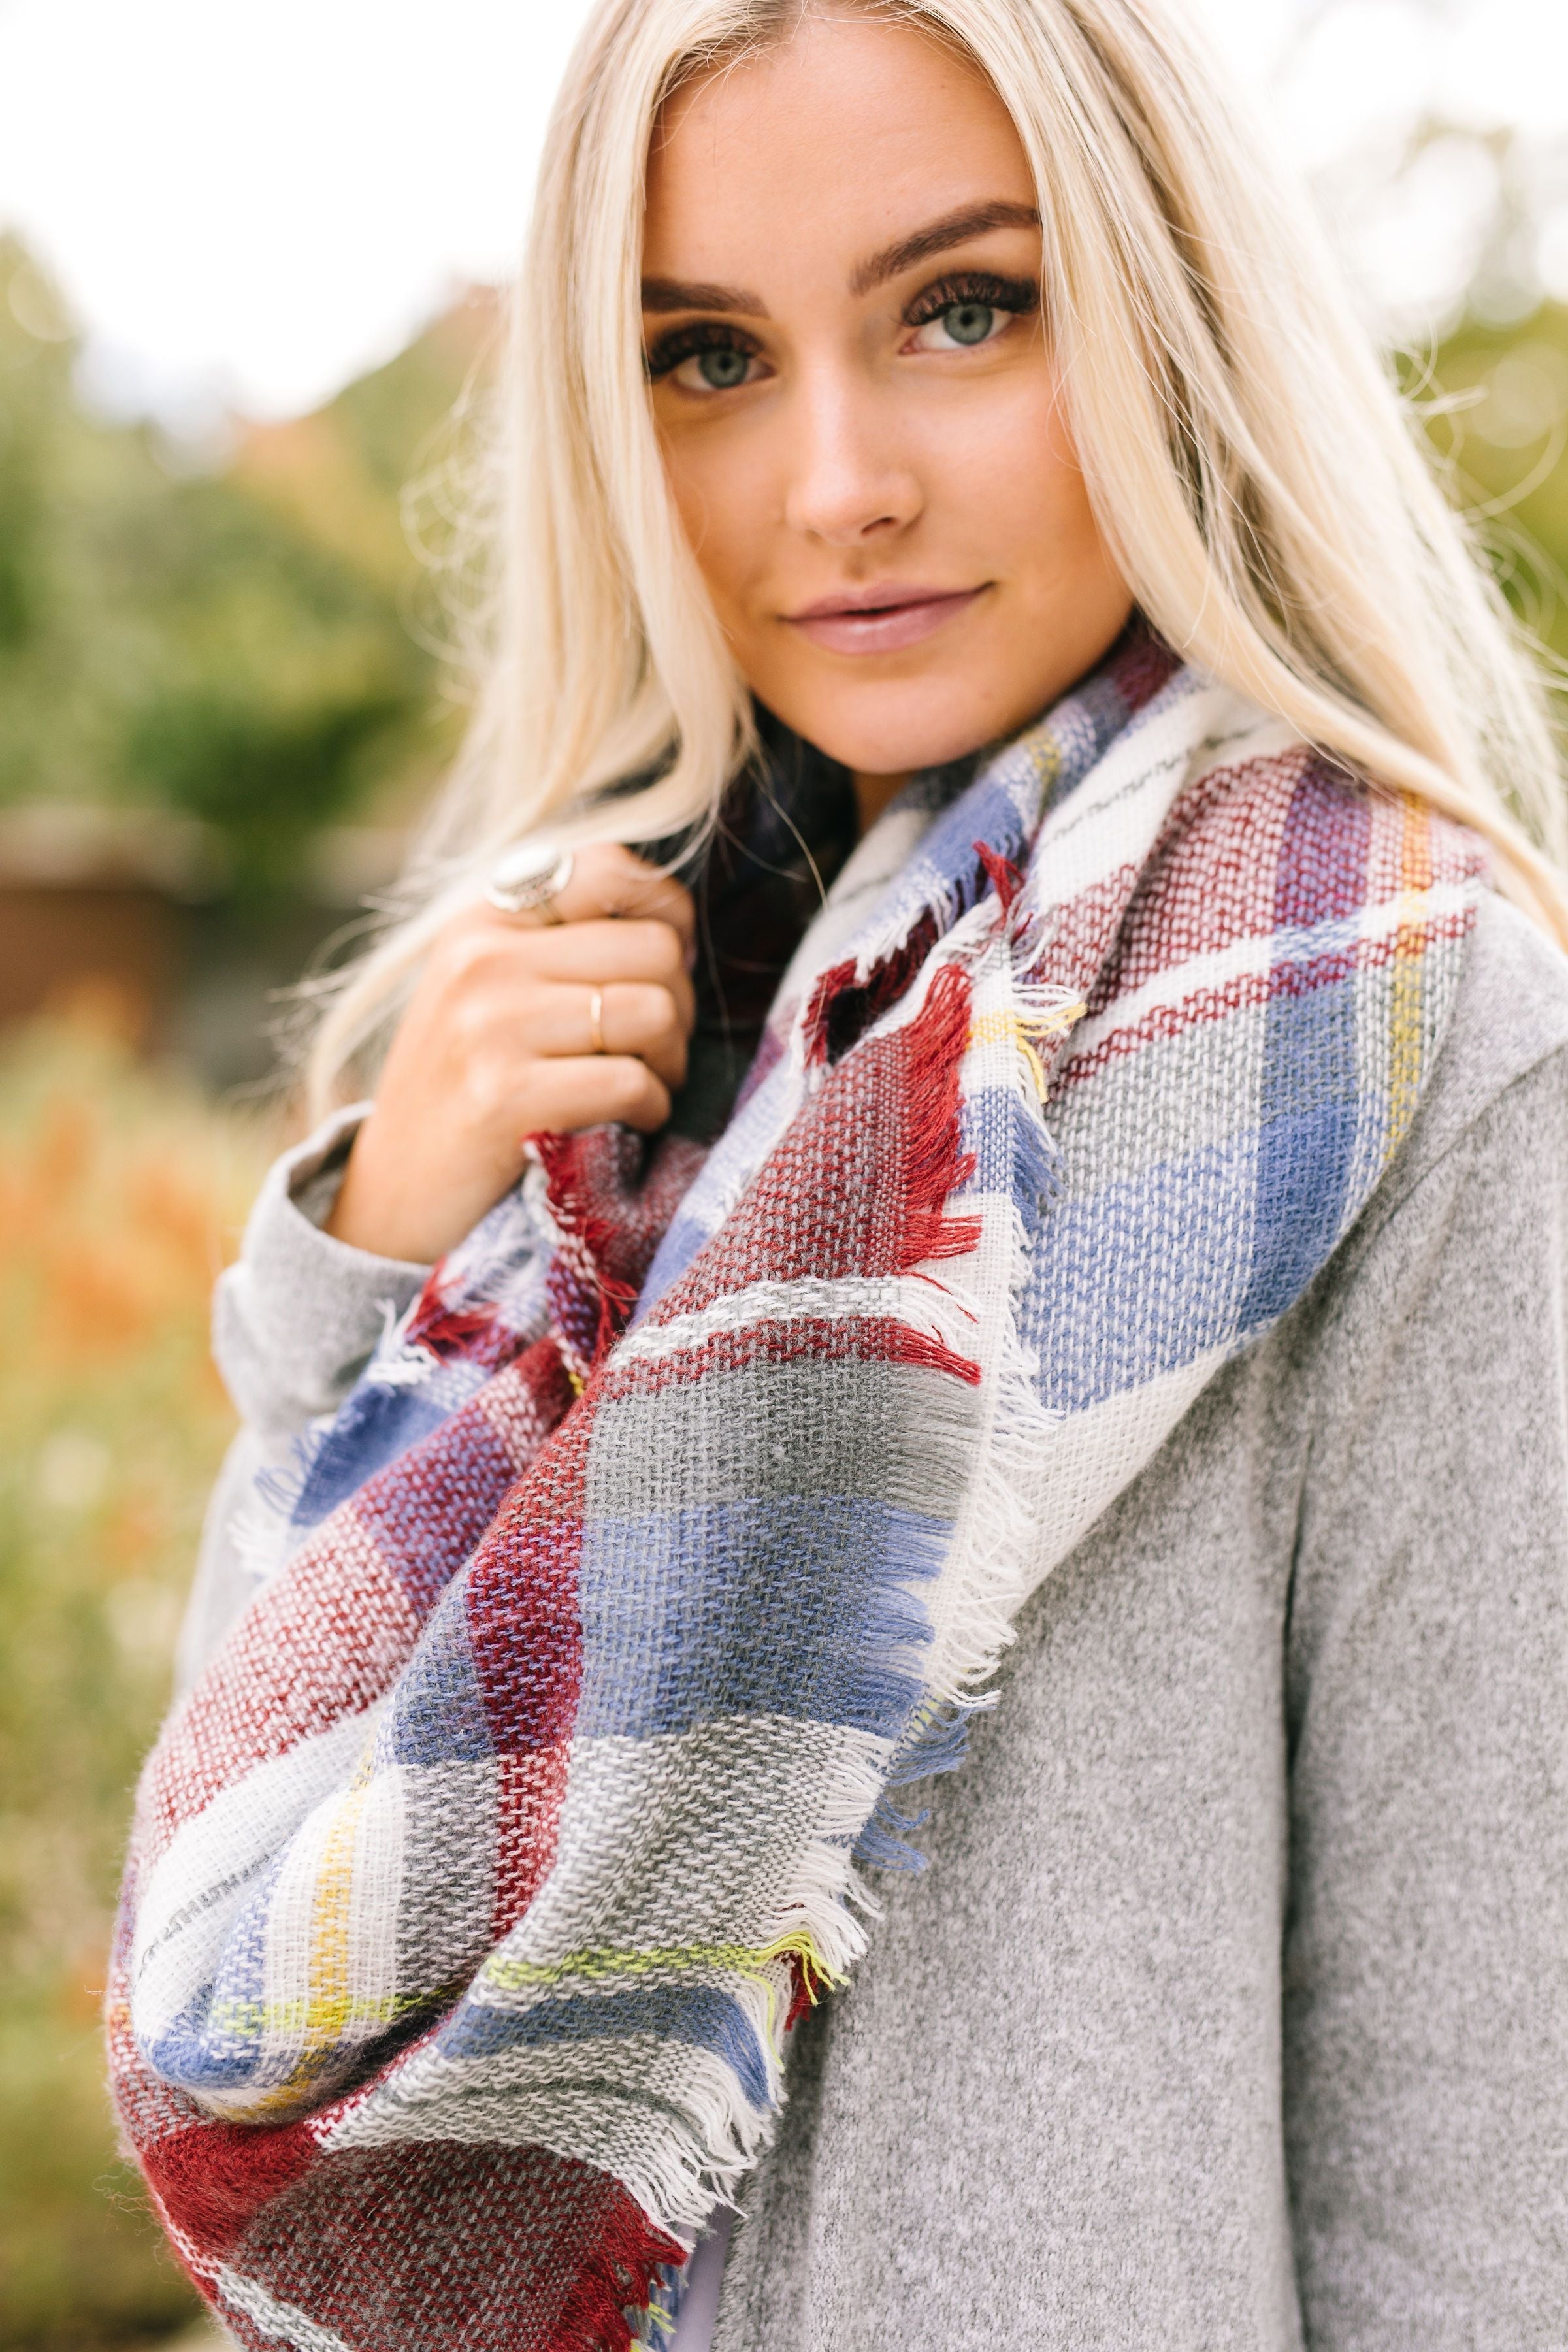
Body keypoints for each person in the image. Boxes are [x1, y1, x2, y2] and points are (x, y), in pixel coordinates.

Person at [112, 2, 1568, 2348]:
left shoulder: (1416, 1046)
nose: (837, 481)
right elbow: (231, 1980)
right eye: (708, 356)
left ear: (1172, 317)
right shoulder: (604, 1027)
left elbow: (1494, 2201)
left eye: (966, 310)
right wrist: (379, 1246)